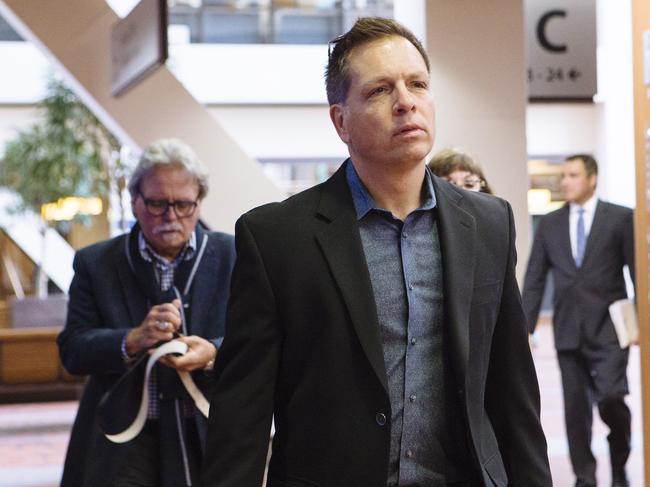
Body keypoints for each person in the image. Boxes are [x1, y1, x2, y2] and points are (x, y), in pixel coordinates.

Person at [203, 17, 551, 487]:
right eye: (379, 91)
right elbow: (241, 417)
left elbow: (514, 395)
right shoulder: (276, 238)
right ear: (340, 120)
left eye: (417, 84)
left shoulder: (488, 223)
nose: (406, 102)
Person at [57, 138, 235, 487]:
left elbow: (262, 339)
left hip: (208, 432)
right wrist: (132, 339)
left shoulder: (234, 255)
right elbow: (73, 351)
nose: (171, 216)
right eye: (157, 204)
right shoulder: (96, 262)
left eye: (183, 204)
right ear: (135, 202)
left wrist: (213, 351)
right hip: (123, 437)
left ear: (199, 203)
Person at [522, 154, 635, 487]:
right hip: (568, 331)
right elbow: (534, 278)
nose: (564, 181)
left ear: (592, 178)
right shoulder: (550, 223)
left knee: (612, 398)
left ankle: (618, 466)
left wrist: (641, 320)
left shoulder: (620, 218)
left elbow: (637, 272)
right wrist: (523, 329)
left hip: (610, 330)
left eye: (572, 175)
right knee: (575, 412)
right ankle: (584, 477)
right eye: (563, 175)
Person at [427, 148, 493, 194]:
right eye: (448, 185)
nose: (461, 192)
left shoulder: (496, 212)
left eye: (469, 184)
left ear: (483, 188)